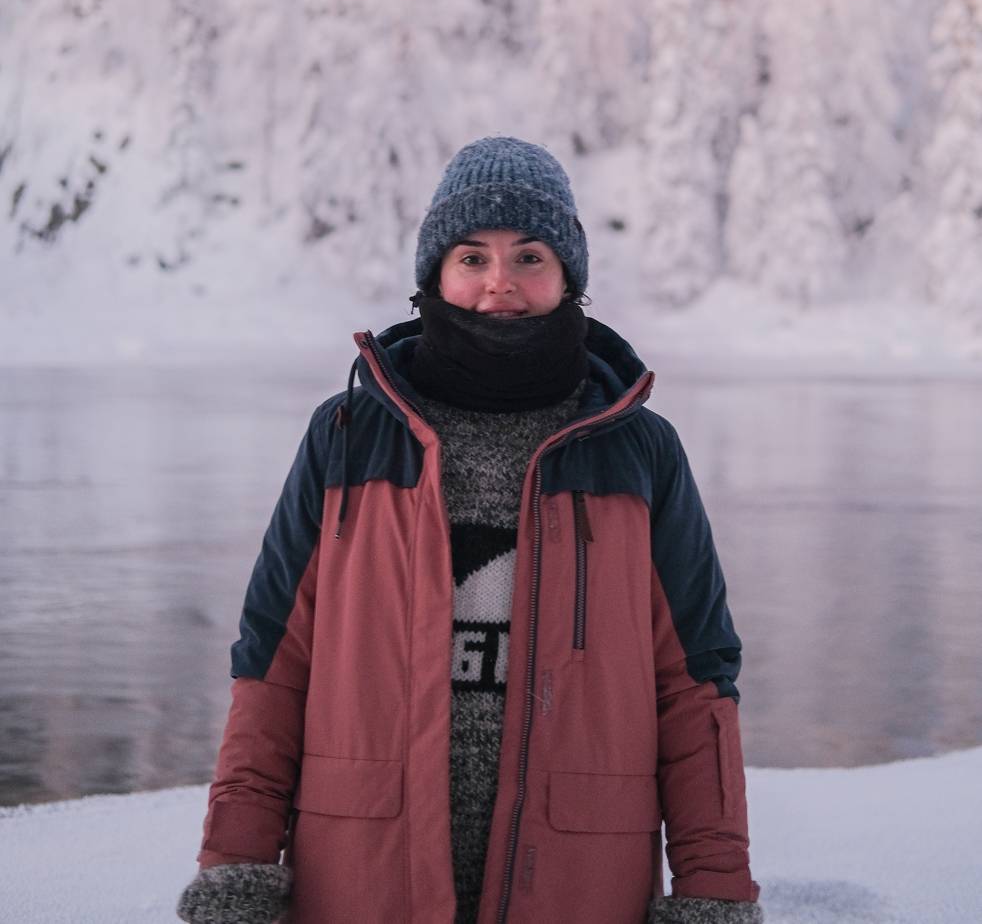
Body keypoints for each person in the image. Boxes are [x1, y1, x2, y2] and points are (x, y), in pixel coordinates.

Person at [177, 137, 762, 924]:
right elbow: (273, 663)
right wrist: (236, 866)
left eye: (530, 257)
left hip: (580, 886)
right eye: (473, 257)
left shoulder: (638, 450)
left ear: (569, 278)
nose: (500, 283)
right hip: (362, 881)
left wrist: (713, 888)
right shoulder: (348, 436)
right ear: (435, 275)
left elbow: (695, 686)